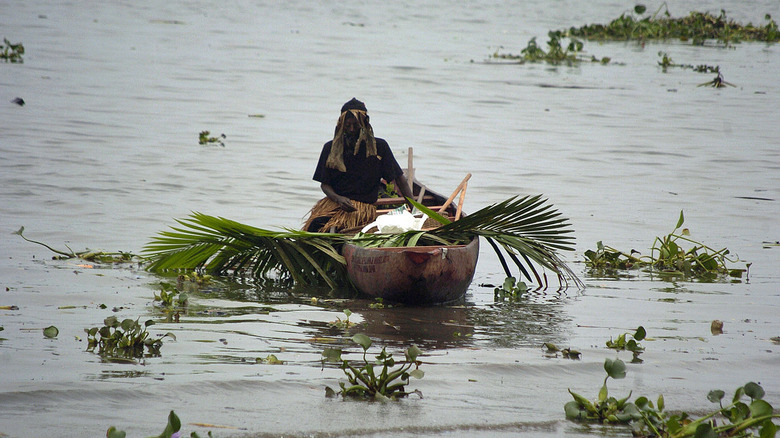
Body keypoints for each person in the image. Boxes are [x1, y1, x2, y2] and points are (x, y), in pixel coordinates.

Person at [304, 98, 413, 233]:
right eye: (347, 125)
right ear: (341, 124)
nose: (351, 129)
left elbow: (400, 179)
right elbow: (324, 185)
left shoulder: (379, 147)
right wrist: (338, 199)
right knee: (315, 225)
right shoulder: (330, 148)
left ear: (364, 124)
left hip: (361, 209)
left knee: (342, 231)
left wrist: (413, 207)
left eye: (355, 125)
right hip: (334, 204)